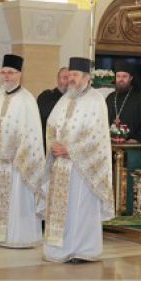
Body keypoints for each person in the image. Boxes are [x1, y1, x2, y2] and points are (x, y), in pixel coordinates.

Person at [42, 57, 113, 263]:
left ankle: (83, 250)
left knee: (80, 209)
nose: (70, 79)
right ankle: (59, 249)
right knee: (61, 209)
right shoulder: (65, 99)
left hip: (82, 168)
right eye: (69, 75)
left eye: (74, 75)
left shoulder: (96, 100)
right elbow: (51, 125)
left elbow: (96, 136)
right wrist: (54, 145)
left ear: (87, 78)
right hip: (61, 166)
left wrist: (70, 149)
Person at [0, 54, 46, 247]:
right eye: (4, 72)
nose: (6, 76)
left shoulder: (27, 99)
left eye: (11, 73)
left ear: (20, 74)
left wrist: (17, 153)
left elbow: (32, 133)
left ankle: (18, 237)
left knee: (17, 200)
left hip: (17, 163)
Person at [105, 60, 141, 143]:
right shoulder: (110, 98)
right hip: (111, 144)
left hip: (132, 146)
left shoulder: (140, 99)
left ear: (130, 78)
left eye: (124, 76)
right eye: (118, 76)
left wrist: (137, 139)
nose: (121, 79)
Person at [37, 67, 70, 149]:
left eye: (70, 78)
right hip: (50, 144)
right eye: (65, 78)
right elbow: (43, 114)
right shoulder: (47, 95)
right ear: (58, 79)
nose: (67, 81)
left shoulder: (77, 98)